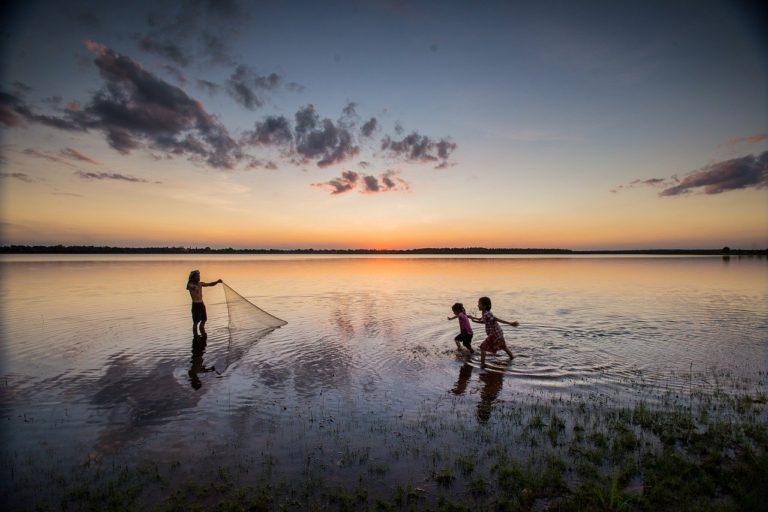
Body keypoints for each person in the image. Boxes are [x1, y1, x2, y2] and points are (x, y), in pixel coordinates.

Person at [469, 296, 519, 368]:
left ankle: (482, 365)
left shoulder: (487, 314)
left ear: (485, 306)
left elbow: (496, 319)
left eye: (479, 304)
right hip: (498, 333)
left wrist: (510, 323)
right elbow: (482, 320)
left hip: (494, 334)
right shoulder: (484, 312)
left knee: (482, 347)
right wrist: (473, 319)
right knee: (503, 346)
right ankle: (512, 357)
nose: (477, 305)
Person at [186, 270, 222, 338]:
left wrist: (217, 282)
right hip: (195, 305)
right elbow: (189, 286)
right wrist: (194, 287)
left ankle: (202, 331)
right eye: (197, 276)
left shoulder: (200, 284)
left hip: (201, 304)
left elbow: (209, 284)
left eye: (199, 276)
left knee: (204, 319)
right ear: (193, 278)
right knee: (196, 322)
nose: (199, 277)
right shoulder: (190, 284)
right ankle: (195, 336)